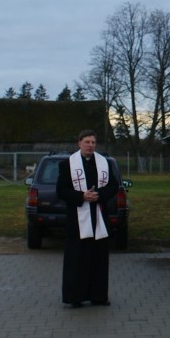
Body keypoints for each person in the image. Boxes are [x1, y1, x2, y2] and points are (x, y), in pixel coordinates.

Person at [56, 129, 122, 308]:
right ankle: (75, 297)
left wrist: (99, 194)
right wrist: (82, 196)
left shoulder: (104, 163)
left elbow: (114, 185)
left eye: (93, 142)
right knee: (76, 259)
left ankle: (98, 296)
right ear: (79, 143)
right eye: (87, 142)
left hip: (99, 218)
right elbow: (61, 191)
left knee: (99, 259)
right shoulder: (67, 164)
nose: (90, 145)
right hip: (77, 221)